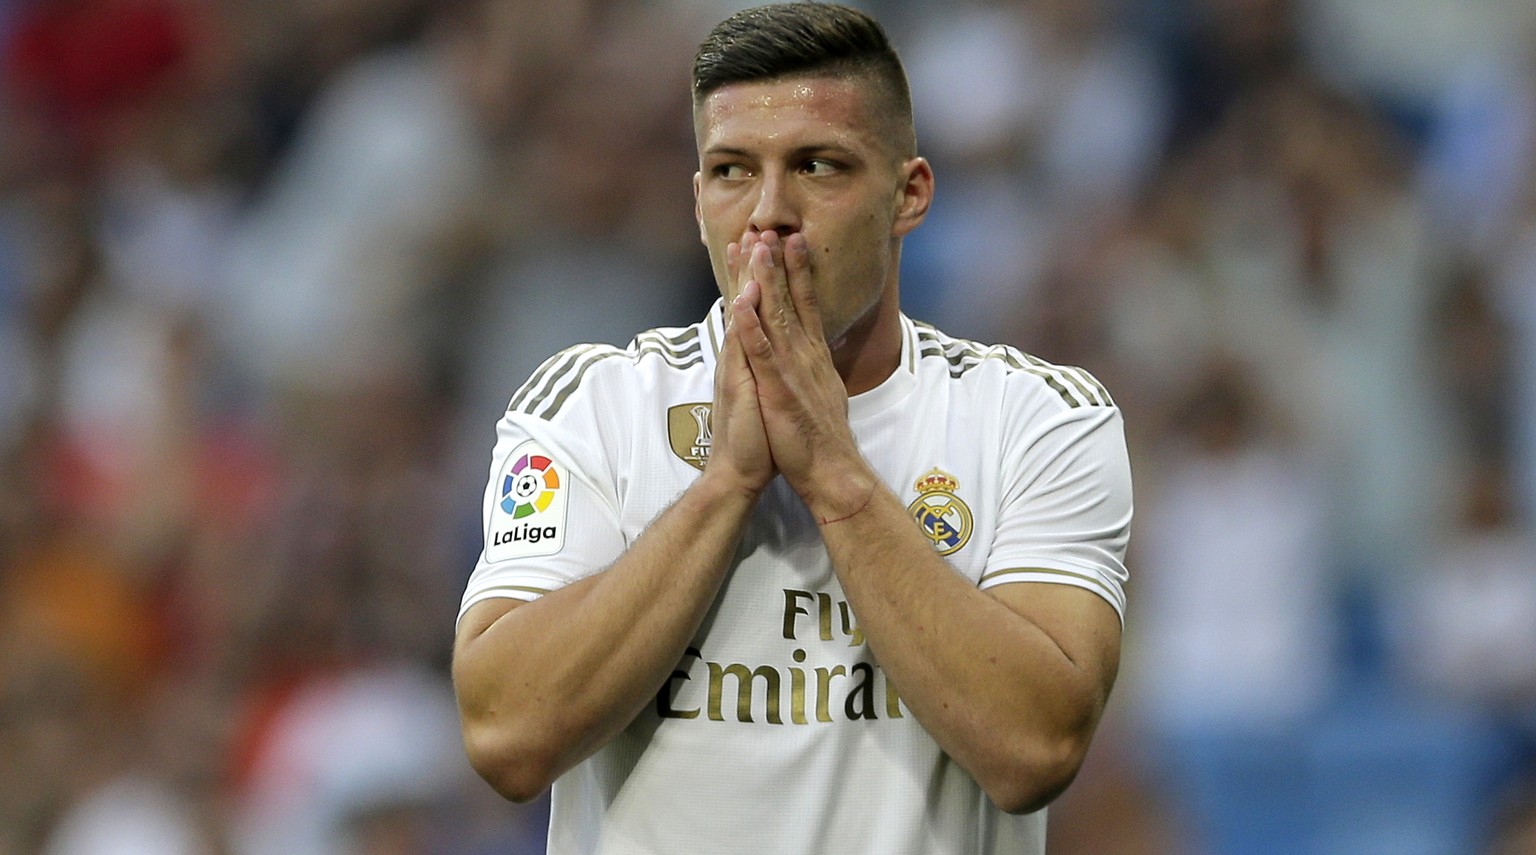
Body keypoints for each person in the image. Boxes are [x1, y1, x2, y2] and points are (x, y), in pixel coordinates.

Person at [451, 4, 1132, 853]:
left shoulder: (1036, 421)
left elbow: (1037, 749)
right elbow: (507, 738)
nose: (770, 212)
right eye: (733, 171)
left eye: (817, 165)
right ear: (699, 199)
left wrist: (833, 476)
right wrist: (725, 486)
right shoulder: (590, 408)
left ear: (907, 194)